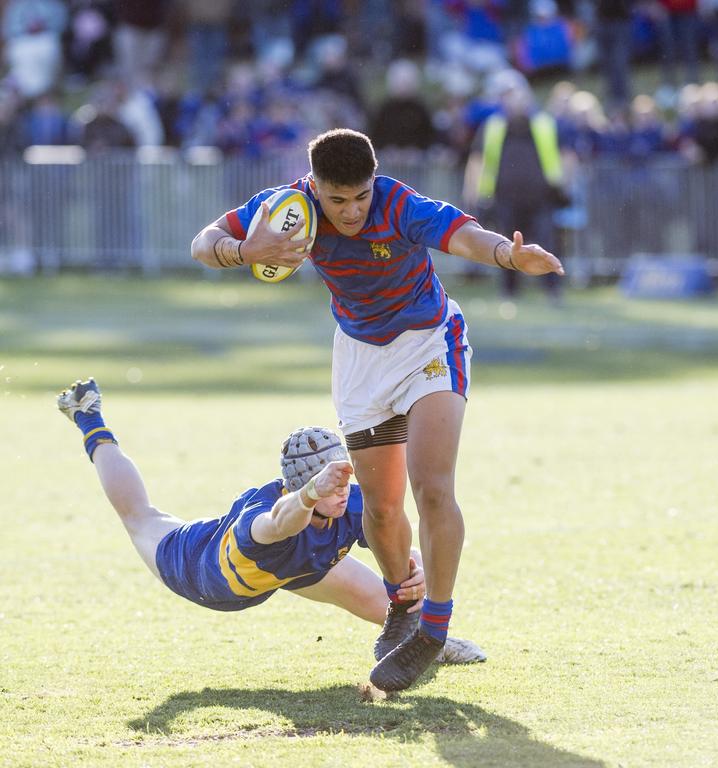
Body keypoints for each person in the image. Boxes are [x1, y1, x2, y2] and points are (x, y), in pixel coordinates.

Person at [191, 128, 562, 690]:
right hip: (361, 361)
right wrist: (245, 251)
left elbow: (461, 235)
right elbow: (203, 242)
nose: (353, 211)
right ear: (315, 187)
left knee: (431, 486)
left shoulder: (396, 203)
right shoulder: (290, 209)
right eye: (338, 200)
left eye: (360, 196)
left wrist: (508, 254)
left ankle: (433, 631)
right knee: (383, 511)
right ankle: (403, 606)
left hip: (428, 343)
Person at [56, 377, 486, 665]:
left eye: (342, 481)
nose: (341, 492)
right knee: (140, 516)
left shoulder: (347, 500)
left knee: (391, 592)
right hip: (203, 570)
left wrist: (418, 571)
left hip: (292, 569)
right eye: (328, 485)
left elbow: (396, 542)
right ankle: (90, 418)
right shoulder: (268, 514)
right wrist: (312, 493)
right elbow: (280, 523)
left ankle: (435, 644)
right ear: (301, 484)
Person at [463, 72, 571, 301]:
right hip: (504, 199)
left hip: (542, 197)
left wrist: (565, 185)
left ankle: (553, 291)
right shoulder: (492, 126)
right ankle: (509, 293)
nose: (512, 101)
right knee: (507, 246)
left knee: (548, 242)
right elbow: (477, 159)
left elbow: (565, 155)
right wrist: (471, 193)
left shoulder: (544, 124)